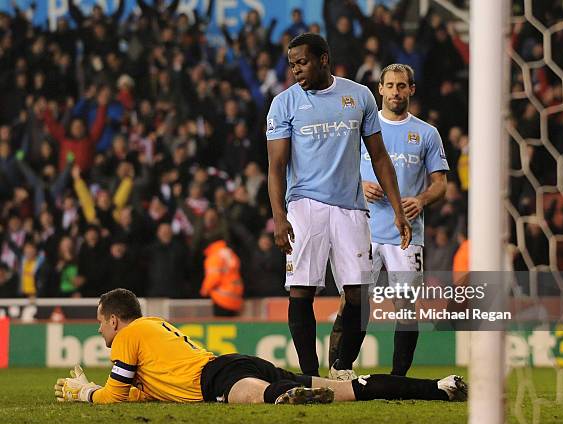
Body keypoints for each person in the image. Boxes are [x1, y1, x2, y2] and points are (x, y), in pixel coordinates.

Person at [266, 33, 411, 378]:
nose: (296, 71)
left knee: (360, 295)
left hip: (351, 208)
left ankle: (342, 369)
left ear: (323, 59)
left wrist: (398, 210)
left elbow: (379, 156)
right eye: (292, 65)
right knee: (301, 289)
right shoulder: (283, 104)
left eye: (302, 63)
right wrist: (279, 217)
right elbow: (276, 166)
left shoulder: (358, 96)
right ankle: (308, 374)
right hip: (304, 206)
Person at [53, 288, 467, 405]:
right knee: (350, 389)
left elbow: (115, 394)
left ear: (112, 319)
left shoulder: (126, 335)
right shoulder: (152, 327)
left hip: (217, 376)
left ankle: (285, 396)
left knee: (248, 397)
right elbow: (143, 390)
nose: (100, 334)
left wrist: (86, 393)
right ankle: (439, 387)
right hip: (237, 363)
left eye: (99, 325)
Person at [329, 64, 449, 376]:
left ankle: (398, 379)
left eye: (401, 86)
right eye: (390, 86)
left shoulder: (426, 133)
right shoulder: (361, 130)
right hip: (362, 230)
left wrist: (421, 199)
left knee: (406, 308)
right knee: (353, 303)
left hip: (406, 234)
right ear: (380, 90)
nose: (395, 92)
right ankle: (339, 370)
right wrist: (358, 183)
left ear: (411, 90)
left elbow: (441, 183)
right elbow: (334, 168)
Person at [199, 238, 244, 316]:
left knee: (220, 326)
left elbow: (214, 277)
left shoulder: (214, 257)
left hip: (221, 298)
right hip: (235, 297)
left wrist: (204, 290)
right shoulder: (231, 254)